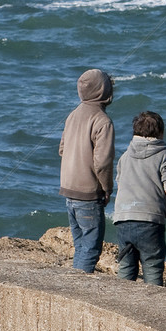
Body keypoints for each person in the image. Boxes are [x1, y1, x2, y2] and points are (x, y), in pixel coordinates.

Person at [112, 110, 166, 287]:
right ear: (161, 133)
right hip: (150, 220)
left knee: (126, 268)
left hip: (123, 217)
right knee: (153, 268)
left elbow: (120, 184)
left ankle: (121, 305)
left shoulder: (125, 156)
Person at [59, 68, 115, 273]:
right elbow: (102, 163)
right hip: (88, 193)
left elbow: (62, 149)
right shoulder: (102, 121)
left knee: (80, 245)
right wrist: (107, 188)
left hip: (68, 189)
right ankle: (76, 286)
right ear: (103, 91)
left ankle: (72, 283)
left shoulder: (72, 115)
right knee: (91, 248)